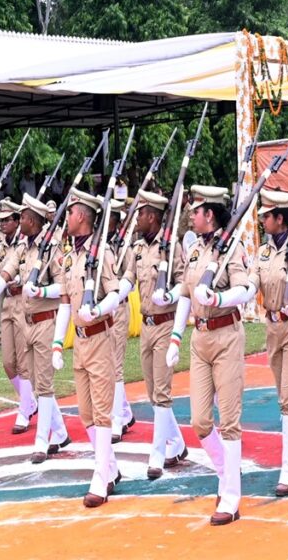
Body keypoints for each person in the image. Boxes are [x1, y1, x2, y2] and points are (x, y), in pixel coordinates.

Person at [155, 185, 250, 525]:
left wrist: (219, 300)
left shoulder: (232, 249)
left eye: (195, 210)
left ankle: (232, 496)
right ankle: (225, 473)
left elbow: (245, 289)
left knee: (229, 420)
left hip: (226, 334)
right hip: (200, 338)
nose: (190, 216)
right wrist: (176, 336)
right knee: (198, 420)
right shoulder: (194, 250)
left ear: (209, 214)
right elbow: (186, 291)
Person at [0, 194, 72, 461]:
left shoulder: (52, 250)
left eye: (23, 217)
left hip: (46, 321)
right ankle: (60, 433)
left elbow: (64, 286)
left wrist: (42, 290)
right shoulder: (23, 248)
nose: (19, 221)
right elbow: (6, 273)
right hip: (26, 323)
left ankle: (42, 440)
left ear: (33, 221)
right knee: (36, 382)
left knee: (45, 384)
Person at [56, 188, 122, 507]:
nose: (66, 218)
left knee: (102, 410)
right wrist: (58, 342)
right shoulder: (72, 255)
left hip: (99, 337)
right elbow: (67, 302)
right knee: (85, 412)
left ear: (81, 215)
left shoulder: (102, 253)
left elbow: (116, 293)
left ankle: (101, 477)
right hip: (80, 343)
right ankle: (109, 466)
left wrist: (98, 310)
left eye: (70, 212)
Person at [247, 190, 288, 497]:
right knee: (284, 396)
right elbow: (253, 283)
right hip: (273, 326)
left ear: (280, 218)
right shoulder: (263, 252)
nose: (262, 221)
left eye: (267, 216)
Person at [116, 190, 188, 479]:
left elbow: (185, 282)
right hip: (146, 325)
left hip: (166, 323)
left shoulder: (172, 247)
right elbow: (128, 280)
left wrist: (168, 294)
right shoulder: (137, 248)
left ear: (154, 217)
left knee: (161, 392)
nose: (137, 219)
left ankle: (157, 453)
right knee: (152, 393)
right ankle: (178, 444)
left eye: (142, 214)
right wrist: (112, 299)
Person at [0, 198, 37, 435]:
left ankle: (24, 409)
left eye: (8, 220)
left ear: (18, 221)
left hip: (23, 302)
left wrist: (19, 280)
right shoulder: (1, 248)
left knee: (24, 361)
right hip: (6, 301)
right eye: (0, 220)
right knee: (8, 362)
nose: (3, 224)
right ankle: (28, 401)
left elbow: (31, 273)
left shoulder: (26, 244)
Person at [106, 199, 136, 443]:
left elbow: (129, 276)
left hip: (118, 308)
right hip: (101, 311)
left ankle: (117, 420)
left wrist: (114, 297)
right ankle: (125, 413)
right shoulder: (99, 243)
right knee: (107, 364)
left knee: (114, 365)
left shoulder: (125, 245)